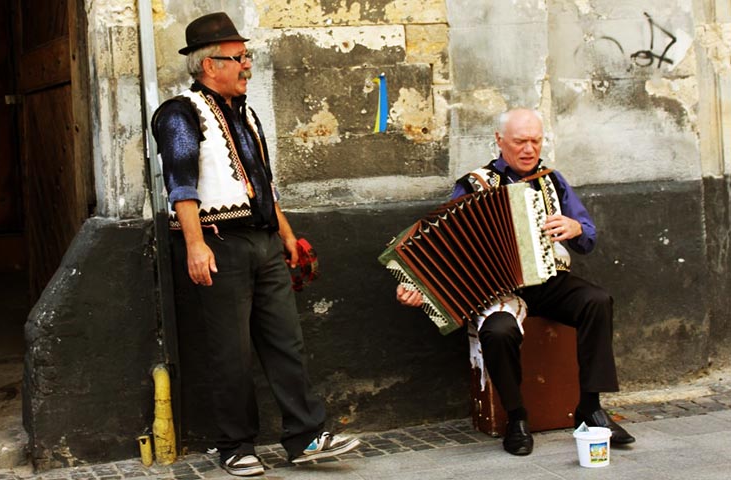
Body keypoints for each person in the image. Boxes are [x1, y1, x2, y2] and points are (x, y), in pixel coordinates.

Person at [151, 12, 359, 477]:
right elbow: (180, 185)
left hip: (264, 242)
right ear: (210, 65)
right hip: (219, 243)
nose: (248, 65)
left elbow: (265, 182)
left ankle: (306, 436)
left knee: (287, 341)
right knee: (231, 351)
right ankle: (234, 445)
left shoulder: (246, 113)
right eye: (240, 58)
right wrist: (195, 245)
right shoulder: (180, 114)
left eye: (247, 56)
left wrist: (286, 235)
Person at [396, 108, 635, 456]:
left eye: (535, 141)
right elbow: (443, 243)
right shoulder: (473, 185)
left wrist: (576, 228)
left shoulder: (553, 180)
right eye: (520, 141)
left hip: (547, 280)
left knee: (596, 300)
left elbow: (587, 236)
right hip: (498, 289)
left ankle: (590, 408)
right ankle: (517, 417)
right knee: (497, 331)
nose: (529, 149)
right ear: (499, 141)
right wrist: (420, 287)